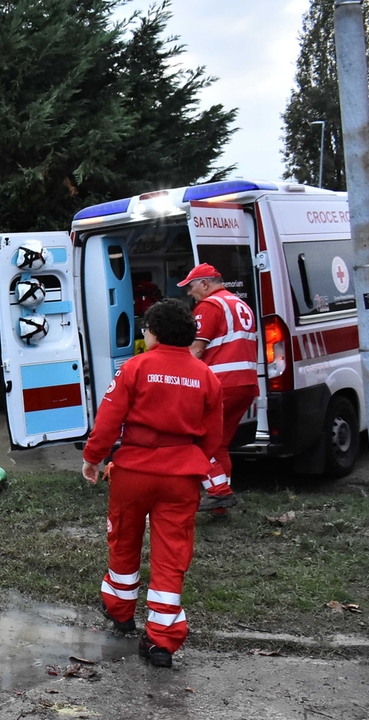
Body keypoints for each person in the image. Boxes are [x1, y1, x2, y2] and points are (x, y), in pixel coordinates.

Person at [82, 299, 223, 668]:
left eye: (146, 330)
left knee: (123, 539)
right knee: (172, 555)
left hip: (133, 472)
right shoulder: (206, 376)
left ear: (155, 333)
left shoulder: (136, 367)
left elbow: (109, 418)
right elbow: (214, 436)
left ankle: (120, 611)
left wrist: (93, 458)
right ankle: (162, 641)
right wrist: (196, 463)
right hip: (181, 478)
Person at [179, 263, 259, 515]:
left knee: (197, 442)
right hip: (245, 384)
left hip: (221, 384)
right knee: (220, 444)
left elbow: (196, 350)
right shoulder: (240, 304)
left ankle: (219, 493)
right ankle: (219, 508)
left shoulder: (210, 306)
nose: (190, 293)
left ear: (204, 283)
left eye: (191, 287)